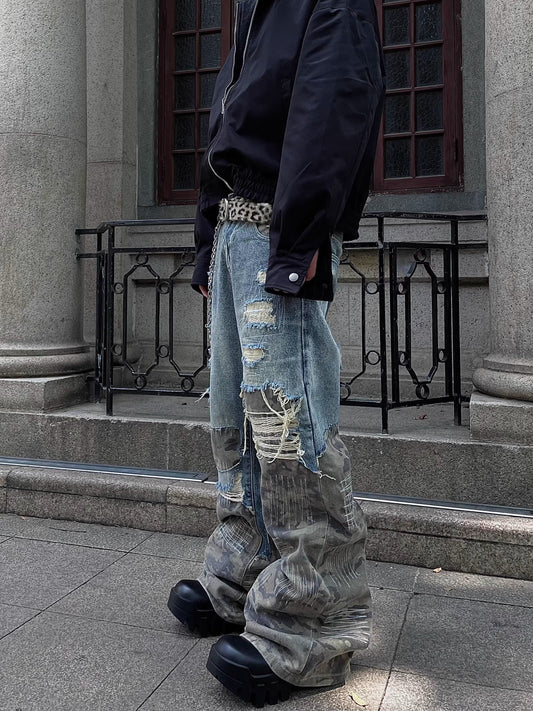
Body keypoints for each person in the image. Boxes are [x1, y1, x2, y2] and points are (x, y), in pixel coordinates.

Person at [168, 0, 385, 706]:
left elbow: (334, 107)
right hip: (239, 230)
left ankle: (311, 624)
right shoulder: (253, 9)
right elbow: (226, 132)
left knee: (287, 427)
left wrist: (299, 239)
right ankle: (246, 572)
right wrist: (208, 238)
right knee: (236, 422)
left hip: (278, 229)